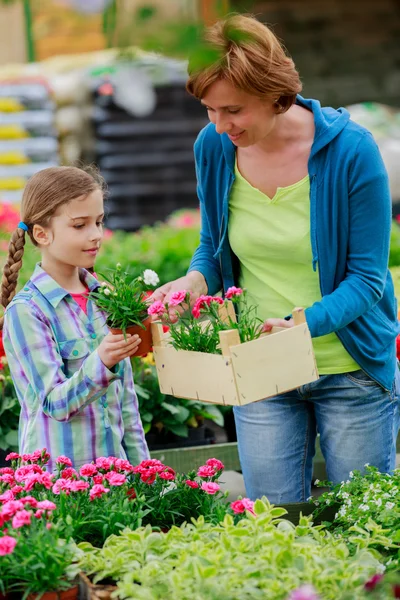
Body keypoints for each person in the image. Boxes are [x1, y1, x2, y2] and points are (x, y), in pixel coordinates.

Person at [152, 14, 400, 503]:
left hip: (347, 368)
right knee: (273, 524)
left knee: (358, 529)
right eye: (209, 110)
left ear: (274, 93)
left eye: (233, 110)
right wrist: (194, 283)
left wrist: (303, 324)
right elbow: (213, 246)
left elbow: (368, 279)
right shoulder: (215, 149)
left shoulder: (351, 152)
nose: (221, 126)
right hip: (260, 366)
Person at [0, 166, 149, 472]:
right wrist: (102, 361)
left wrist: (145, 475)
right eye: (79, 225)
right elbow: (55, 403)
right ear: (42, 234)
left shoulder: (106, 299)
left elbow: (127, 405)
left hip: (116, 481)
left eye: (99, 222)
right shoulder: (28, 311)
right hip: (60, 491)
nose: (96, 235)